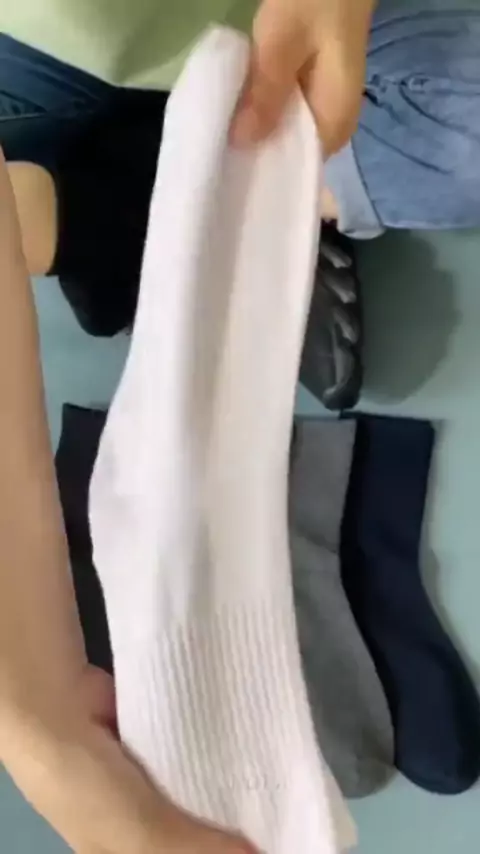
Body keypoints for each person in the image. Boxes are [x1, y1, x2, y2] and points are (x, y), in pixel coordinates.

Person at [0, 2, 374, 853]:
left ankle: (174, 215)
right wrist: (31, 703)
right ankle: (165, 212)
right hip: (44, 52)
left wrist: (30, 703)